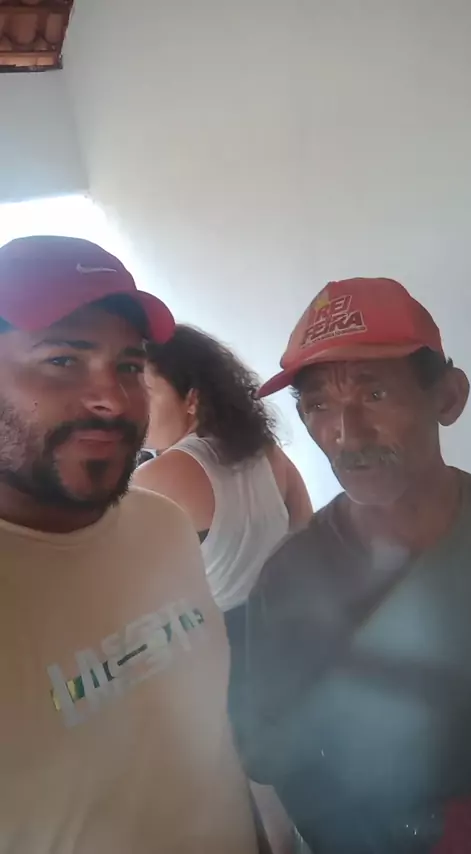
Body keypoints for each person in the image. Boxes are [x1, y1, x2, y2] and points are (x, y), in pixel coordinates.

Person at [0, 235, 260, 854]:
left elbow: (213, 746)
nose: (111, 400)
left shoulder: (164, 525)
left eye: (129, 367)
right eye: (63, 359)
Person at [237, 277, 471, 854]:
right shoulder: (291, 579)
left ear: (448, 398)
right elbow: (273, 753)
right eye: (319, 405)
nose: (346, 435)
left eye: (374, 394)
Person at [134, 325, 312, 854]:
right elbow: (305, 530)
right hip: (287, 628)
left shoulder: (160, 476)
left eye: (144, 389)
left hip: (222, 648)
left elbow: (130, 590)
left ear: (190, 398)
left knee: (256, 798)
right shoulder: (265, 451)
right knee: (292, 783)